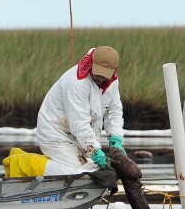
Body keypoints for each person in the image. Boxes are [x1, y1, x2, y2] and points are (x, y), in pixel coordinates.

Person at [36, 46, 125, 174]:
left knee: (94, 170)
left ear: (114, 70)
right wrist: (94, 151)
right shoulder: (76, 83)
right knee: (82, 172)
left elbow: (114, 110)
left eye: (105, 75)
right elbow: (79, 124)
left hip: (78, 137)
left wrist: (116, 139)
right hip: (55, 133)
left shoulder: (112, 82)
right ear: (91, 64)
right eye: (98, 72)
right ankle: (28, 165)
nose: (100, 78)